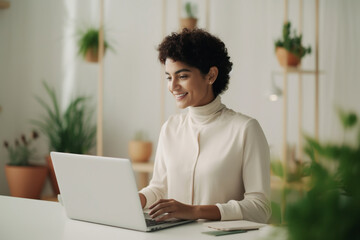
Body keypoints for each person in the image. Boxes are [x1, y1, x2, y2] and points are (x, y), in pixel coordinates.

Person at [139, 28, 271, 223]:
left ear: (211, 75)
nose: (172, 86)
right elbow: (159, 188)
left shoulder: (245, 129)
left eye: (182, 76)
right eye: (169, 77)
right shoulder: (171, 128)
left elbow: (260, 208)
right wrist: (137, 199)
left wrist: (195, 211)